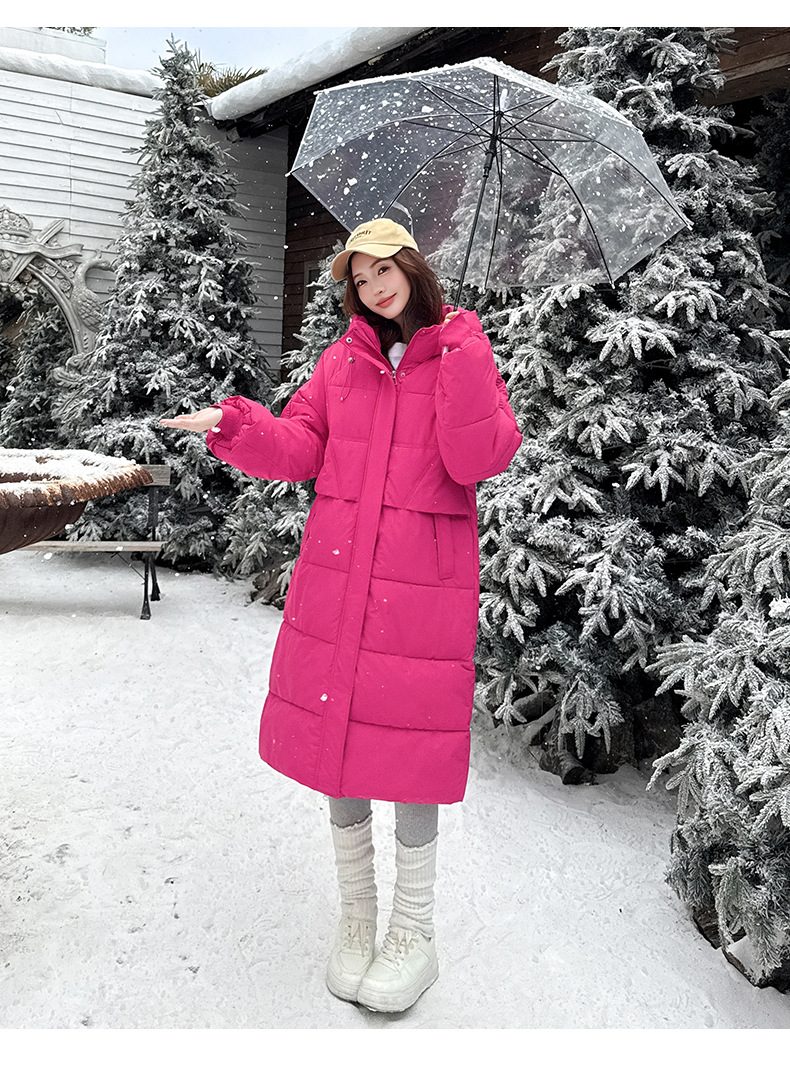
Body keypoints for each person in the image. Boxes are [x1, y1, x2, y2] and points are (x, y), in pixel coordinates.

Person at [159, 218, 522, 1013]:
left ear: (412, 269)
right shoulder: (341, 363)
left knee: (411, 750)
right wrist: (236, 424)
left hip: (420, 590)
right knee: (340, 735)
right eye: (360, 278)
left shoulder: (461, 352)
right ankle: (358, 916)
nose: (374, 286)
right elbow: (299, 446)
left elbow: (479, 458)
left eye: (384, 269)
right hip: (340, 575)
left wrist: (464, 350)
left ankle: (413, 930)